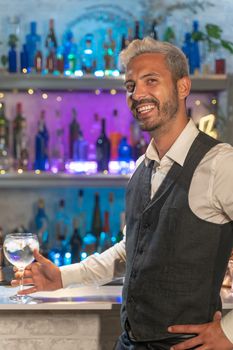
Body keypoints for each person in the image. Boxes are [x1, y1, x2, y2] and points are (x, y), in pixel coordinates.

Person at [12, 37, 233, 350]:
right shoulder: (143, 166)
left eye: (151, 81)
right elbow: (132, 250)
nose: (138, 94)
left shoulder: (220, 163)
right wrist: (62, 277)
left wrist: (229, 331)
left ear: (183, 87)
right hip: (129, 344)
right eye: (130, 85)